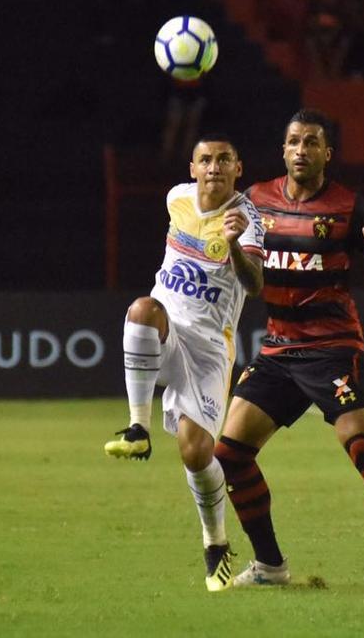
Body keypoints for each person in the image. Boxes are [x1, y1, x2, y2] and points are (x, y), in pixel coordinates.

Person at [213, 109, 364, 592]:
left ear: (327, 154)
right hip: (278, 348)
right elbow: (248, 273)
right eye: (294, 141)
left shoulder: (348, 206)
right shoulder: (256, 201)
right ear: (283, 150)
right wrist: (231, 249)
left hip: (333, 348)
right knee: (228, 455)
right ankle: (270, 565)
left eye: (311, 142)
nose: (301, 150)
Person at [103, 134, 265, 593]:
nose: (214, 167)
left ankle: (216, 543)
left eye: (224, 160)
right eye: (205, 160)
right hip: (169, 330)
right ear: (193, 169)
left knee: (196, 454)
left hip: (210, 350)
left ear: (238, 169)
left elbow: (254, 286)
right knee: (142, 310)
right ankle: (138, 428)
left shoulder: (247, 219)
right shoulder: (177, 198)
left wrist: (233, 245)